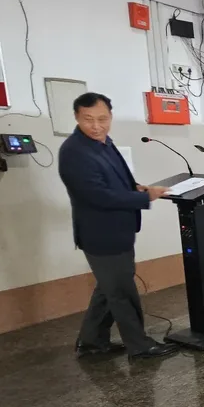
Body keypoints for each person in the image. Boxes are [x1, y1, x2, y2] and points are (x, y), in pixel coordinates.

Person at [57, 92, 177, 360]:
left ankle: (91, 341)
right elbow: (98, 196)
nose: (96, 126)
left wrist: (136, 188)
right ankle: (140, 345)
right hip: (101, 234)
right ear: (77, 117)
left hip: (119, 229)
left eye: (102, 119)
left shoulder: (103, 143)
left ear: (111, 117)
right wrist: (145, 197)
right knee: (122, 292)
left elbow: (116, 179)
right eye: (88, 119)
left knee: (109, 288)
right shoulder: (75, 151)